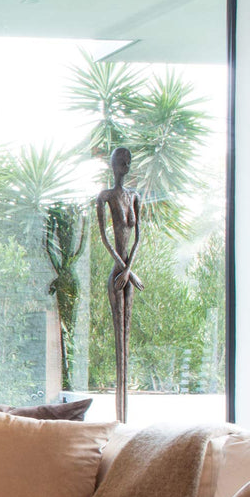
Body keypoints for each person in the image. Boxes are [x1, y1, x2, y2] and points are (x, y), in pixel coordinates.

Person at [96, 147, 144, 423]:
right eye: (120, 161)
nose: (125, 165)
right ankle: (119, 419)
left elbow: (138, 238)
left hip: (127, 272)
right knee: (119, 338)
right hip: (118, 271)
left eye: (128, 161)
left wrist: (130, 270)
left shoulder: (134, 197)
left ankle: (125, 419)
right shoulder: (105, 197)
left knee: (126, 338)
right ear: (112, 165)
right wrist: (123, 270)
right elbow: (104, 236)